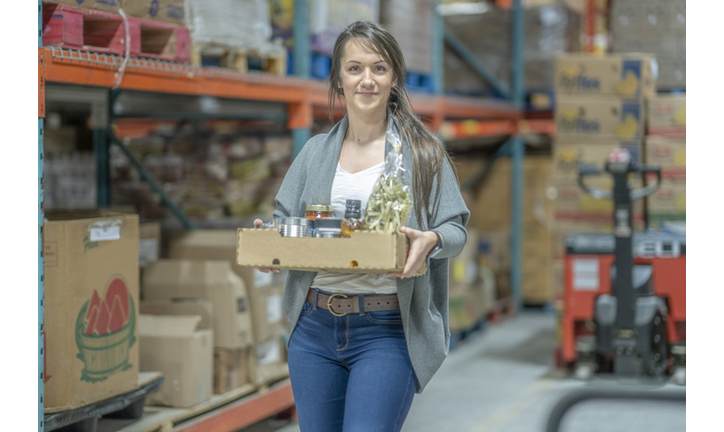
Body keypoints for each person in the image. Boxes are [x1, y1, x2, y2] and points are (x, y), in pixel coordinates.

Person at [253, 21, 470, 432]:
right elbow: (286, 220)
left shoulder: (423, 154)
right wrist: (273, 241)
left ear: (394, 78)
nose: (366, 79)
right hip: (313, 327)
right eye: (354, 69)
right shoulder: (316, 153)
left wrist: (433, 239)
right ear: (338, 78)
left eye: (379, 68)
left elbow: (456, 230)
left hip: (387, 329)